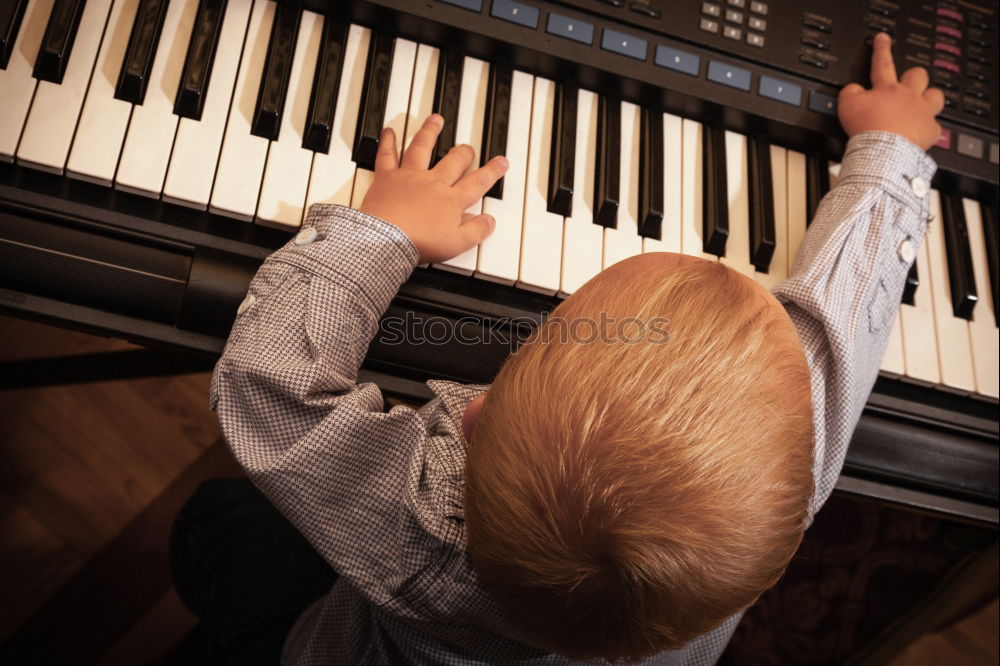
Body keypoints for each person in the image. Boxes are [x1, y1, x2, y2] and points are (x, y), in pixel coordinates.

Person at [170, 32, 944, 665]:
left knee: (213, 531)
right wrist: (891, 152)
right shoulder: (780, 480)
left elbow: (268, 384)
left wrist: (384, 232)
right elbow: (841, 325)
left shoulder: (415, 515)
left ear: (474, 419)